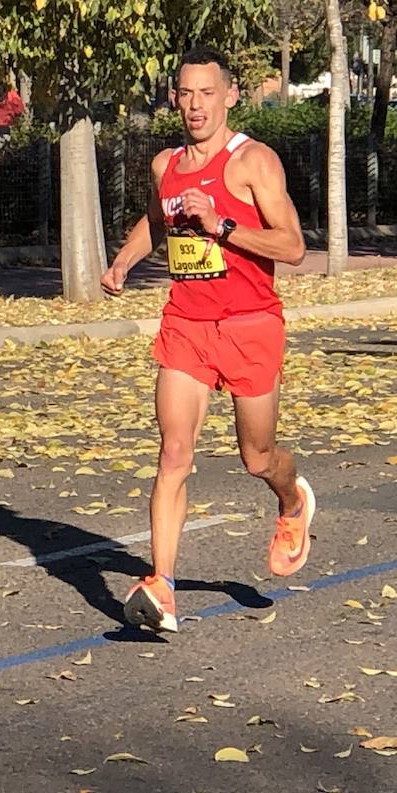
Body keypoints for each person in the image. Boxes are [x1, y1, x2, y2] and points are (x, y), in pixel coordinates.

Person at [101, 47, 314, 633]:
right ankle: (162, 587)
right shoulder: (165, 164)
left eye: (206, 93)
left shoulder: (254, 162)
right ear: (175, 98)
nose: (195, 105)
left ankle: (292, 499)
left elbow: (293, 245)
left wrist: (221, 225)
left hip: (250, 326)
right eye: (185, 94)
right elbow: (156, 220)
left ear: (230, 96)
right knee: (173, 454)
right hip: (187, 326)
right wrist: (122, 263)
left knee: (257, 457)